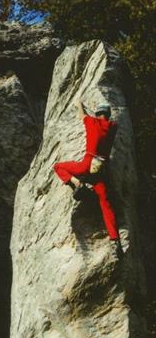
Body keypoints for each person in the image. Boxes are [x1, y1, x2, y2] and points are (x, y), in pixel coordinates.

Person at [53, 101, 123, 257]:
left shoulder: (92, 122)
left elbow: (82, 115)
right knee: (106, 205)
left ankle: (78, 184)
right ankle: (115, 241)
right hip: (100, 172)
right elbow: (106, 122)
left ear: (97, 114)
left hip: (86, 166)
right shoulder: (112, 128)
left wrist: (79, 104)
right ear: (108, 115)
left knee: (58, 167)